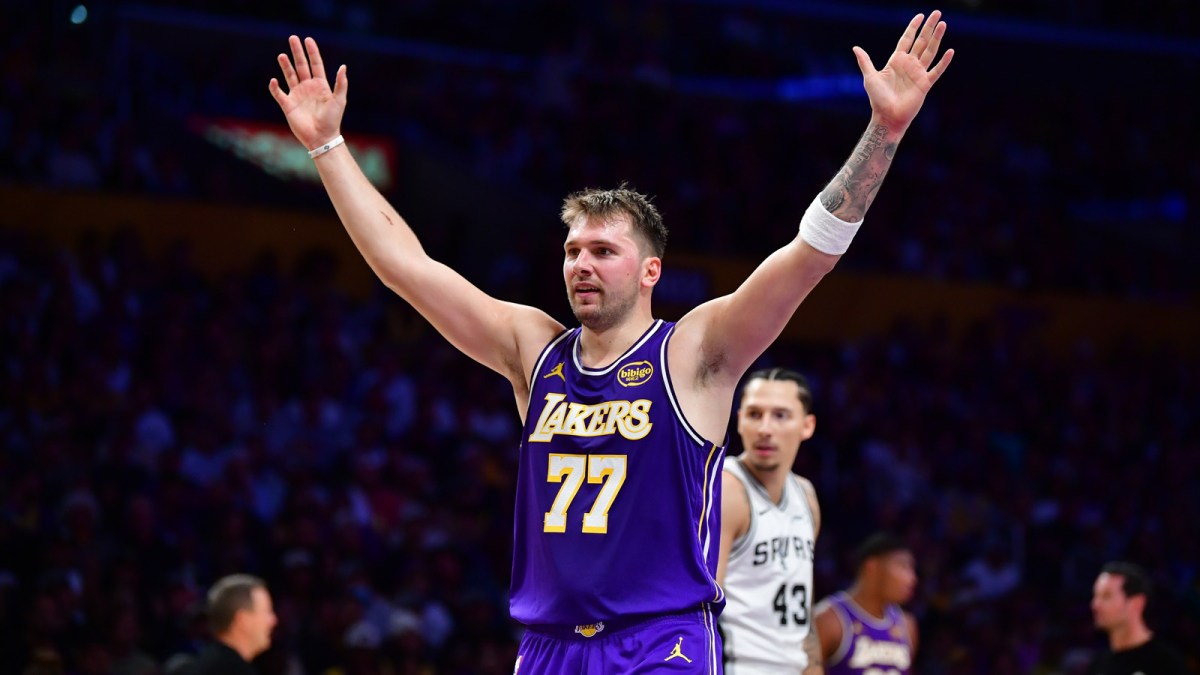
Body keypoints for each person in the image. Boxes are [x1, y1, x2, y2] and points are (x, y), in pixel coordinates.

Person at [268, 12, 952, 673]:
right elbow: (404, 266)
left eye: (602, 249)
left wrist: (884, 132)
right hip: (548, 646)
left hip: (662, 643)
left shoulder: (694, 351)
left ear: (651, 269)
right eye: (571, 250)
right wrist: (328, 148)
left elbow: (810, 253)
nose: (581, 263)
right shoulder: (533, 348)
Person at [717, 368, 823, 674]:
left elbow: (805, 608)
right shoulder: (726, 490)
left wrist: (814, 667)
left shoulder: (806, 495)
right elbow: (702, 609)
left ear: (807, 425)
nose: (765, 428)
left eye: (780, 415)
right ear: (739, 421)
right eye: (754, 414)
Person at [813, 533, 918, 675]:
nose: (912, 579)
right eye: (902, 566)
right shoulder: (828, 619)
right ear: (872, 567)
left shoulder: (907, 625)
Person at [1085, 561, 1189, 675]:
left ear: (1136, 603)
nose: (1095, 605)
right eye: (1095, 596)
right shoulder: (1098, 665)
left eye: (1106, 596)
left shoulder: (1166, 663)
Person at [181, 574, 277, 675]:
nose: (273, 620)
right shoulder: (233, 670)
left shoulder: (203, 663)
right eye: (267, 612)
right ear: (242, 620)